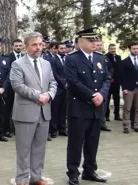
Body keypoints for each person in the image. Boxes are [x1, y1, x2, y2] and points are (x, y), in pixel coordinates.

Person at [10, 32, 57, 185]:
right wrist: (39, 96)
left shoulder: (46, 63)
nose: (38, 47)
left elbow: (53, 83)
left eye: (40, 44)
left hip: (44, 112)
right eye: (34, 44)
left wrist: (49, 95)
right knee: (23, 150)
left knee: (39, 148)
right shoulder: (18, 64)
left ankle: (36, 177)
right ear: (26, 46)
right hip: (26, 112)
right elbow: (18, 86)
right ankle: (22, 179)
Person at [65, 27, 110, 185]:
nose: (94, 43)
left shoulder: (100, 58)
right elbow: (73, 82)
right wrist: (92, 95)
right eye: (91, 40)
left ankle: (89, 170)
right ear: (81, 41)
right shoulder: (72, 59)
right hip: (79, 108)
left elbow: (106, 79)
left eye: (96, 40)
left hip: (96, 108)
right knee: (75, 143)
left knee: (93, 141)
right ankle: (73, 173)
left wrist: (102, 95)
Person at [120, 41, 138, 133]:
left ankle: (136, 125)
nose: (136, 50)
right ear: (130, 49)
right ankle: (126, 126)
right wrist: (124, 88)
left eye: (137, 49)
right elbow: (122, 76)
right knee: (127, 108)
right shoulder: (124, 62)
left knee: (137, 108)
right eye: (134, 49)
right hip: (129, 89)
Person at [105, 44, 122, 121]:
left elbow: (119, 69)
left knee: (116, 99)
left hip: (117, 82)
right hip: (109, 81)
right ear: (108, 49)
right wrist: (109, 78)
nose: (113, 50)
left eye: (114, 48)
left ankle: (117, 115)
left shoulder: (118, 57)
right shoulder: (105, 57)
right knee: (107, 99)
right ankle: (107, 115)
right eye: (111, 49)